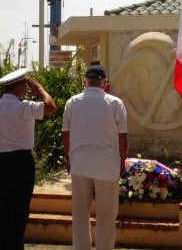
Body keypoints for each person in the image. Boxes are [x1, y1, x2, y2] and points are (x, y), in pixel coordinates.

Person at [0, 68, 57, 250]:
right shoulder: (24, 107)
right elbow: (51, 107)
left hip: (1, 162)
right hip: (21, 162)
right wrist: (40, 90)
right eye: (25, 85)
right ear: (19, 86)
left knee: (4, 209)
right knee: (19, 211)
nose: (27, 89)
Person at [62, 65, 128, 250]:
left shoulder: (72, 102)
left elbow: (65, 134)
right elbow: (123, 136)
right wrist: (122, 162)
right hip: (107, 165)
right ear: (104, 83)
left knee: (80, 214)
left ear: (85, 81)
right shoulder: (115, 103)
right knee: (106, 216)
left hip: (80, 163)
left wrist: (68, 159)